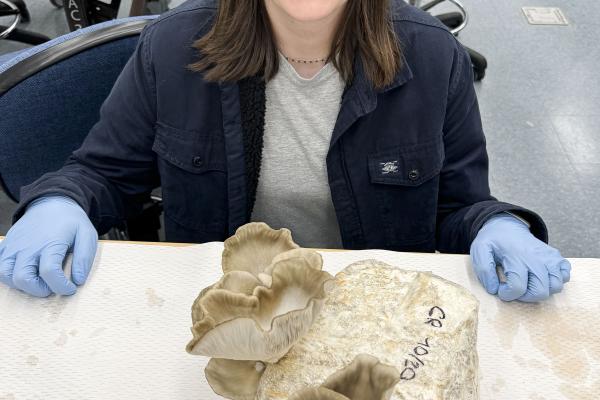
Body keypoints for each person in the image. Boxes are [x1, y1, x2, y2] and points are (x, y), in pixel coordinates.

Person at [0, 0, 570, 301]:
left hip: (367, 308)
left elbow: (457, 208)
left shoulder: (434, 57)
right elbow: (100, 174)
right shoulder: (173, 47)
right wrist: (60, 202)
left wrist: (498, 226)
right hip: (226, 306)